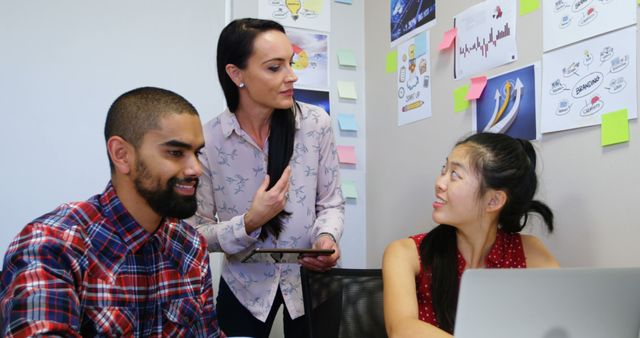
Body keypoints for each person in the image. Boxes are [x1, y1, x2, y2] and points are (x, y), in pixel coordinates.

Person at [0, 87, 223, 337]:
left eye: (197, 153)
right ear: (122, 155)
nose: (196, 169)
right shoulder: (51, 246)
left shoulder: (191, 246)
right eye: (175, 153)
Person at [188, 18, 344, 338]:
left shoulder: (315, 124)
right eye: (275, 68)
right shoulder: (209, 140)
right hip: (243, 289)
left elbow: (331, 203)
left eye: (291, 63)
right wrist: (249, 222)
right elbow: (196, 233)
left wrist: (326, 239)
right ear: (236, 74)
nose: (292, 76)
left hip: (314, 287)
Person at [383, 132, 559, 338]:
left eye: (455, 175)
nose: (439, 182)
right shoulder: (405, 253)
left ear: (493, 201)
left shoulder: (530, 253)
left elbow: (560, 323)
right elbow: (401, 329)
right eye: (444, 170)